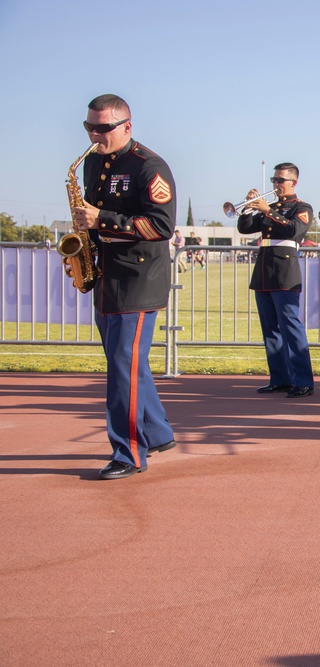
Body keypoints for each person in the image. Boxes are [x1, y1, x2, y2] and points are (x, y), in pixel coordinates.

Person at [71, 93, 177, 480]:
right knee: (127, 362)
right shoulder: (95, 161)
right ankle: (158, 433)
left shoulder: (149, 165)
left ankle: (129, 453)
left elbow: (161, 226)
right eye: (89, 127)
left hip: (138, 276)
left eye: (103, 128)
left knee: (122, 367)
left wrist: (103, 218)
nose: (95, 135)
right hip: (107, 274)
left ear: (127, 126)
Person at [236, 162, 315, 398]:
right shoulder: (268, 207)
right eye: (274, 180)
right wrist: (248, 207)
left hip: (285, 272)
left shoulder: (302, 207)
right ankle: (280, 378)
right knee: (270, 329)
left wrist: (268, 211)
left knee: (291, 327)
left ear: (294, 182)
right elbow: (245, 228)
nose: (276, 184)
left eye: (281, 180)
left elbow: (293, 230)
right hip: (264, 271)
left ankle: (303, 381)